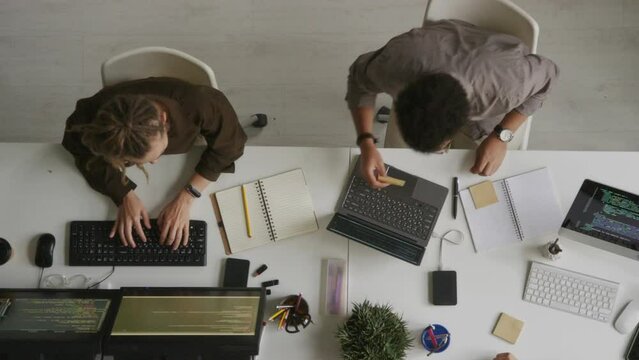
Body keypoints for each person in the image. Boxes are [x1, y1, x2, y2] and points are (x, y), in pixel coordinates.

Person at [346, 19, 559, 188]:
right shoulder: (394, 63)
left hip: (496, 64)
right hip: (436, 48)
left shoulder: (508, 89)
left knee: (477, 173)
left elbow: (549, 76)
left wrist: (501, 136)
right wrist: (366, 143)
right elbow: (359, 80)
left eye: (443, 145)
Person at [63, 77, 247, 249]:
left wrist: (187, 196)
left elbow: (231, 145)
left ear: (163, 118)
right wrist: (123, 194)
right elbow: (78, 148)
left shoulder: (201, 102)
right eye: (135, 162)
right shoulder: (90, 118)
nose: (156, 162)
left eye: (155, 154)